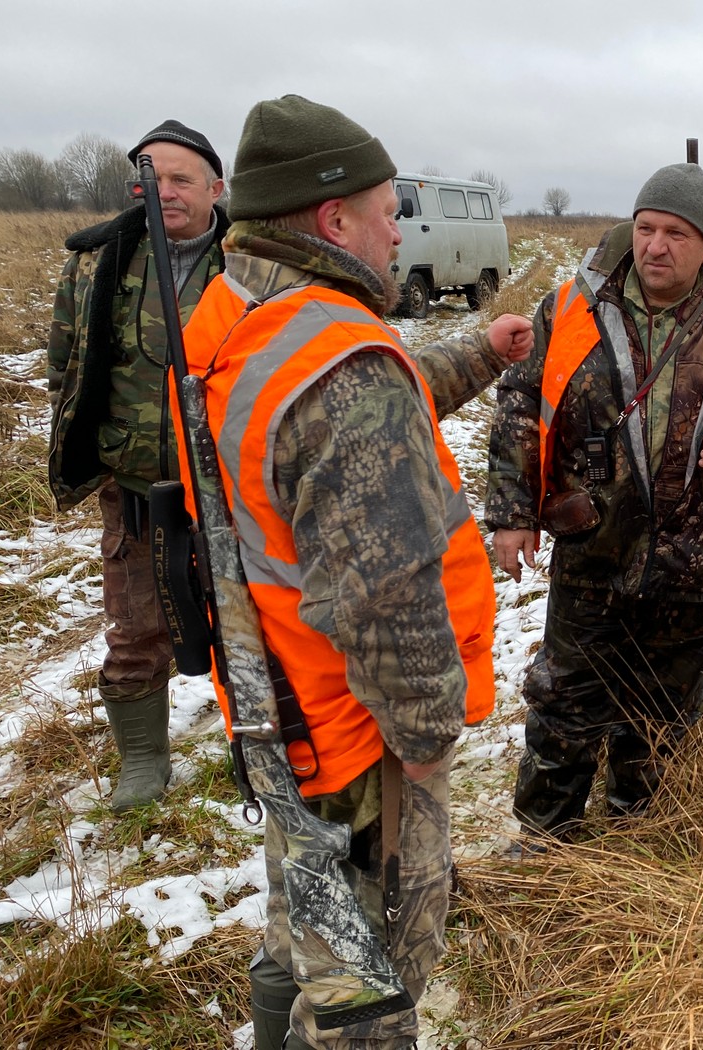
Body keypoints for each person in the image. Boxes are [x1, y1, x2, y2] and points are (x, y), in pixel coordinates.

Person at [179, 95, 531, 1050]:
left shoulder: (233, 314)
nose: (398, 231)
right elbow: (387, 591)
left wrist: (478, 353)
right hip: (361, 739)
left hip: (280, 704)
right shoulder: (341, 363)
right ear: (334, 222)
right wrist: (424, 739)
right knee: (369, 993)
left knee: (310, 924)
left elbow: (347, 420)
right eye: (387, 212)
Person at [487, 162, 703, 841]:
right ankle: (545, 845)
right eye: (645, 228)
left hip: (694, 557)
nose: (655, 246)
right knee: (565, 702)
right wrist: (513, 513)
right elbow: (519, 400)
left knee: (663, 711)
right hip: (592, 547)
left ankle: (636, 840)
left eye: (675, 233)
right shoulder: (569, 308)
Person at [46, 119, 228, 812]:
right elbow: (64, 365)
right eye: (153, 178)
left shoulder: (248, 264)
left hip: (230, 484)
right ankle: (144, 761)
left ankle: (263, 741)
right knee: (134, 624)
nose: (166, 191)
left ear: (216, 189)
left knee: (250, 614)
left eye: (182, 178)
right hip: (135, 485)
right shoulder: (100, 262)